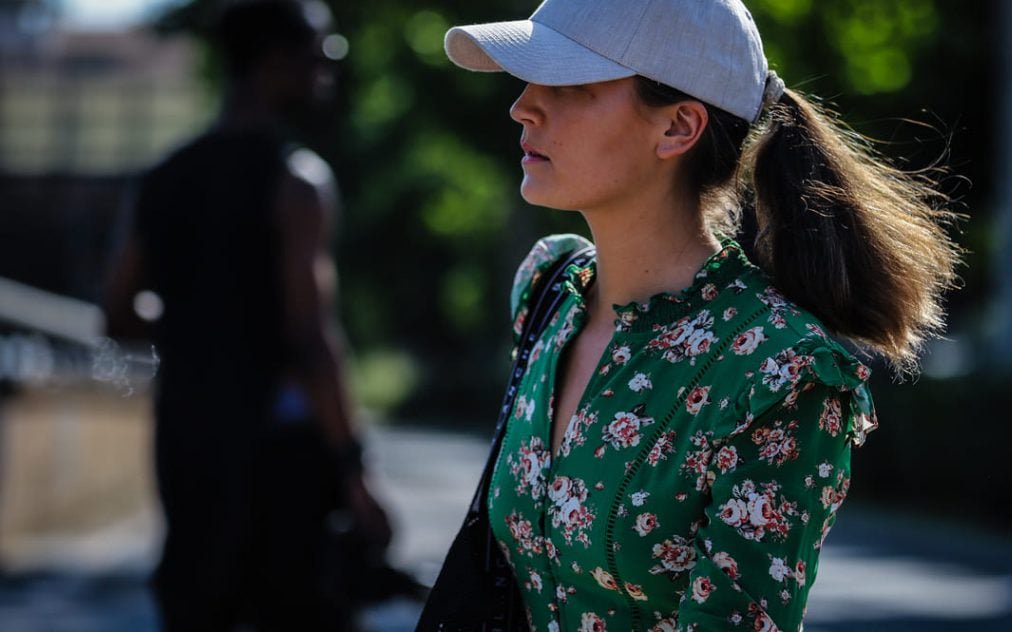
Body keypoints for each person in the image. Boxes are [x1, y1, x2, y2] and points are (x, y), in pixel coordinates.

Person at [431, 1, 961, 630]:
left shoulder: (780, 372)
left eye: (569, 85)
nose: (523, 106)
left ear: (678, 127)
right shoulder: (549, 289)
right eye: (528, 80)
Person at [101, 1, 404, 629]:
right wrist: (355, 472)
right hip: (283, 459)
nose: (328, 69)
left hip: (188, 443)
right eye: (321, 53)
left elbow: (118, 315)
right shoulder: (297, 182)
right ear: (274, 61)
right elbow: (312, 339)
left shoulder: (163, 178)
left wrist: (201, 326)